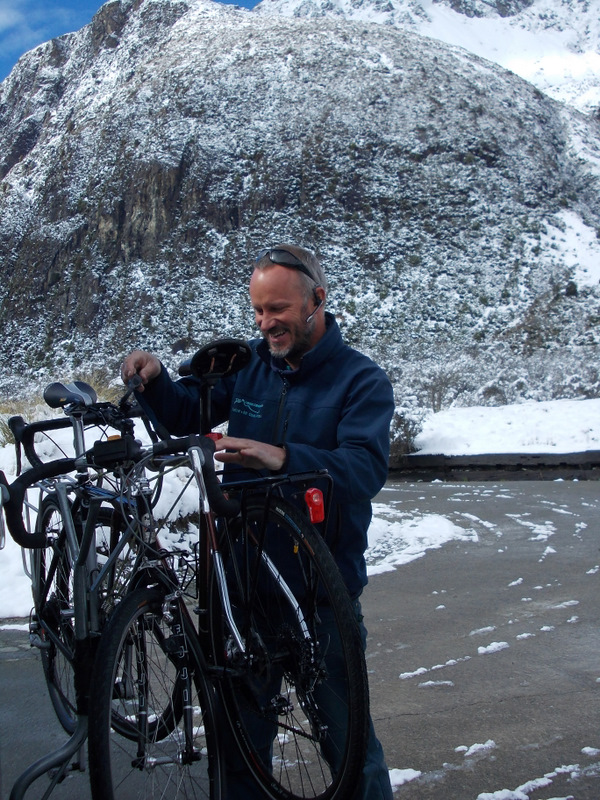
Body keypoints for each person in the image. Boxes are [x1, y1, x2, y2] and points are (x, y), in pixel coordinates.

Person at [121, 244, 394, 799]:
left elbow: (364, 469)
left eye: (278, 310)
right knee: (239, 754)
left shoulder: (362, 380)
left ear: (317, 300)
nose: (266, 323)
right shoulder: (248, 364)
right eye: (258, 311)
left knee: (351, 754)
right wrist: (155, 380)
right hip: (241, 592)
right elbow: (187, 413)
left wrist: (285, 458)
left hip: (322, 596)